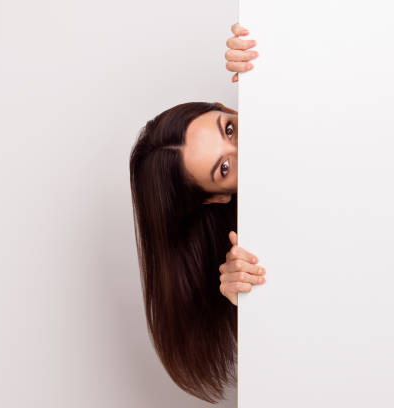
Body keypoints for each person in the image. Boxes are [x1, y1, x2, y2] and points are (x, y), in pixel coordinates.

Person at [128, 22, 263, 404]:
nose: (246, 148)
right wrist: (252, 304)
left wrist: (270, 58)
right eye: (224, 168)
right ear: (219, 199)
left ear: (226, 106)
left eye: (231, 129)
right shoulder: (254, 247)